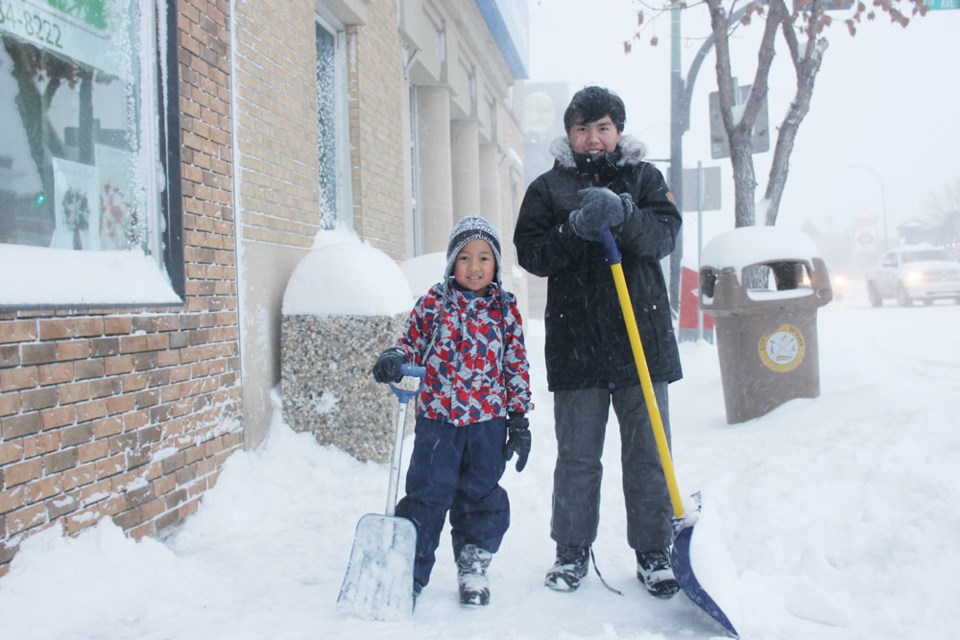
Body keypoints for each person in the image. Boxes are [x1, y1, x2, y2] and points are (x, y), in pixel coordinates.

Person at [513, 86, 683, 598]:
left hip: (641, 342)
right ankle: (571, 551)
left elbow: (664, 237)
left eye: (603, 127)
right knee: (578, 456)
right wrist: (575, 228)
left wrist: (625, 214)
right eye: (582, 128)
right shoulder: (548, 188)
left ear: (618, 132)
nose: (593, 138)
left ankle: (654, 551)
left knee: (649, 454)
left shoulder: (645, 178)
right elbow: (531, 253)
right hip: (577, 344)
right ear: (568, 134)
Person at [372, 215, 533, 607]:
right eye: (464, 258)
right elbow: (410, 341)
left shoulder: (504, 309)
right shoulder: (434, 301)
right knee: (427, 494)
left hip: (487, 422)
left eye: (483, 258)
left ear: (495, 265)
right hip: (438, 420)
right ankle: (409, 570)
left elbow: (515, 365)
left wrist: (519, 420)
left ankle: (474, 563)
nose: (474, 267)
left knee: (480, 494)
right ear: (451, 263)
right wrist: (395, 356)